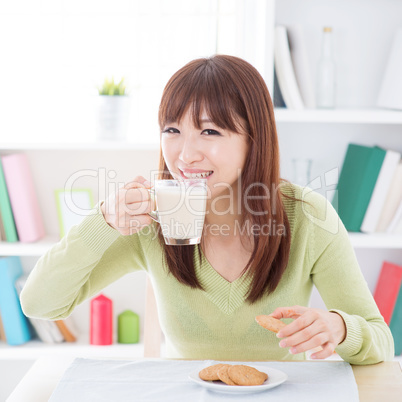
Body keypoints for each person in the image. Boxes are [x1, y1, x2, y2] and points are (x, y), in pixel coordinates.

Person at [21, 55, 393, 364]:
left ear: (254, 138)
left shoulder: (308, 216)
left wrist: (340, 328)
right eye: (172, 130)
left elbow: (381, 341)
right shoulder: (153, 216)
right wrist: (102, 221)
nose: (185, 155)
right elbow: (40, 303)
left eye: (210, 132)